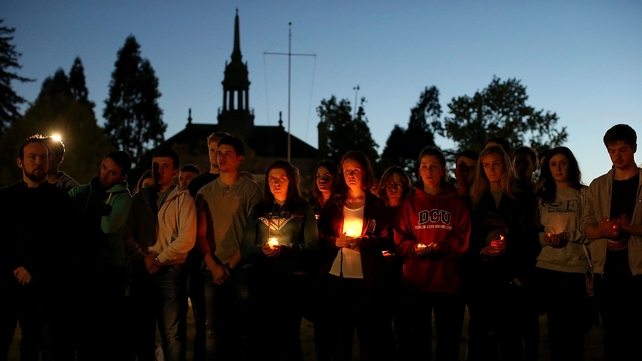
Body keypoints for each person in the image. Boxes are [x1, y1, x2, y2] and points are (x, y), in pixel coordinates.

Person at [0, 134, 75, 361]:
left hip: (46, 286)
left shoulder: (61, 201)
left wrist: (33, 269)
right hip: (7, 285)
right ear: (20, 161)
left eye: (43, 157)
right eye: (32, 157)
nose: (38, 162)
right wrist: (16, 266)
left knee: (44, 345)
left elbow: (62, 244)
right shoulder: (5, 198)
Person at [393, 147, 471, 361]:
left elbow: (464, 239)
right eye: (424, 166)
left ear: (443, 171)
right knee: (420, 342)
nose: (429, 171)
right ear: (419, 171)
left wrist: (442, 247)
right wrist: (415, 249)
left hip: (448, 283)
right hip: (417, 283)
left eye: (434, 166)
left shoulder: (456, 204)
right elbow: (400, 240)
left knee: (448, 342)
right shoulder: (409, 204)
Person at [316, 150, 395, 360]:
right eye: (346, 170)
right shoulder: (334, 203)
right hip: (337, 280)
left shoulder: (376, 205)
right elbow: (319, 235)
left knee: (368, 339)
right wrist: (335, 242)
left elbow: (388, 238)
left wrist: (365, 242)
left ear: (365, 172)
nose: (351, 174)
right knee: (340, 341)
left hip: (366, 280)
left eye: (355, 170)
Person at [465, 145, 539, 361]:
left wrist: (518, 268)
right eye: (486, 165)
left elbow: (531, 239)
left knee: (511, 341)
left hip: (511, 279)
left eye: (496, 164)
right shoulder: (476, 199)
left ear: (505, 165)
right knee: (483, 341)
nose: (491, 169)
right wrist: (482, 250)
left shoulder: (522, 199)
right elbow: (467, 238)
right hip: (483, 279)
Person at [240, 160, 319, 360]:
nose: (276, 182)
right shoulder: (259, 210)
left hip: (291, 282)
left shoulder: (303, 209)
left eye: (281, 178)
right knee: (262, 338)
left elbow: (312, 247)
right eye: (272, 178)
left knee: (288, 337)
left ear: (291, 181)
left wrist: (286, 250)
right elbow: (246, 247)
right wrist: (261, 251)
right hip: (262, 280)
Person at [124, 148, 197, 361]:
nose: (159, 171)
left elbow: (186, 238)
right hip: (143, 272)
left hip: (170, 272)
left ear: (174, 171)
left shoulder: (183, 200)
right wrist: (142, 258)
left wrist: (158, 258)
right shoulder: (139, 199)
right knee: (143, 333)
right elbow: (127, 233)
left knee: (173, 335)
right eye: (155, 165)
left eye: (165, 166)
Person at [194, 135, 262, 360]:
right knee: (212, 332)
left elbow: (252, 233)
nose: (221, 157)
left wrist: (231, 266)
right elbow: (199, 233)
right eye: (218, 152)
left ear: (240, 158)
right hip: (211, 271)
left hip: (241, 269)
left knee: (244, 331)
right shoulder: (204, 192)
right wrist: (212, 265)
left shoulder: (251, 191)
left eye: (227, 153)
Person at [581, 124, 642, 360]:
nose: (617, 156)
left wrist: (626, 228)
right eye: (612, 151)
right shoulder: (598, 186)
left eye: (623, 150)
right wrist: (601, 230)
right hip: (607, 273)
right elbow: (586, 226)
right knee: (612, 336)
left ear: (634, 148)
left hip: (637, 272)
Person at [68, 150, 133, 360]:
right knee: (82, 328)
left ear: (122, 178)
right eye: (104, 167)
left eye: (112, 173)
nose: (104, 174)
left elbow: (108, 226)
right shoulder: (83, 191)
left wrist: (93, 209)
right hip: (84, 266)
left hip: (110, 270)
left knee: (105, 329)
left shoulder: (122, 198)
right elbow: (65, 212)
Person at [534, 146, 594, 361]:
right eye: (553, 164)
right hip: (549, 269)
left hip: (576, 269)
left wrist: (569, 235)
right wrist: (546, 239)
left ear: (572, 165)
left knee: (576, 333)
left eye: (563, 163)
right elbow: (537, 233)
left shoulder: (584, 194)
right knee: (555, 332)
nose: (558, 168)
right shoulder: (542, 198)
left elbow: (591, 231)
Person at [185, 131, 228, 361]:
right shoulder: (198, 184)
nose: (216, 156)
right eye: (212, 150)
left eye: (221, 151)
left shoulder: (238, 182)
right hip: (200, 264)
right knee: (204, 327)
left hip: (229, 263)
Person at [188, 131, 230, 197]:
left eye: (219, 151)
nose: (215, 154)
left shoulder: (236, 182)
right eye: (212, 150)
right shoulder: (196, 183)